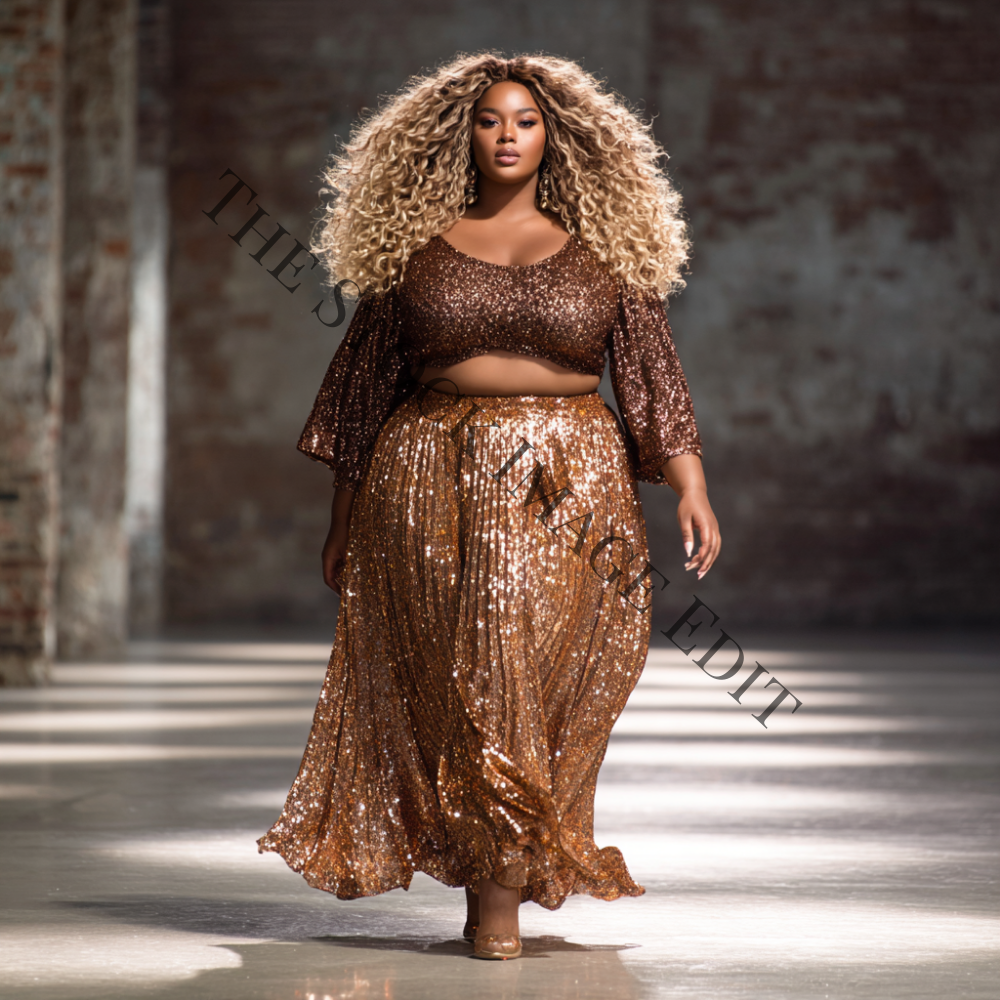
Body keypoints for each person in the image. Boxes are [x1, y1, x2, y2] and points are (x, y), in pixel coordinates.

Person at [258, 52, 720, 961]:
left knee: (542, 679)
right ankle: (493, 896)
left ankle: (507, 857)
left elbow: (654, 379)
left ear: (557, 139)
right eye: (489, 120)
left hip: (571, 485)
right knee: (475, 680)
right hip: (431, 478)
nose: (507, 135)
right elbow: (360, 395)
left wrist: (692, 484)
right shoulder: (414, 256)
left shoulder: (607, 256)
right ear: (458, 137)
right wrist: (342, 519)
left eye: (525, 121)